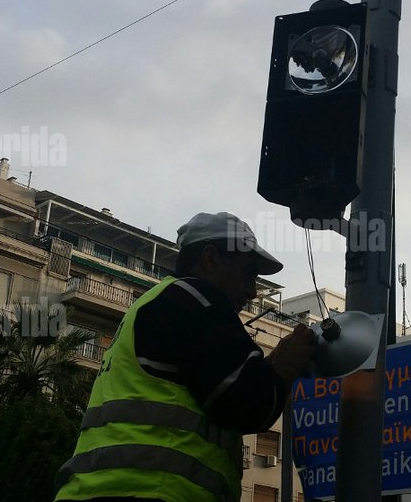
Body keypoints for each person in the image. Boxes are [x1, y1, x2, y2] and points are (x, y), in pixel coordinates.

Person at [54, 212, 317, 502]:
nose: (252, 291)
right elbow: (250, 404)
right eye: (247, 272)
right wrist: (284, 364)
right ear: (210, 258)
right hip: (151, 491)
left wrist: (265, 368)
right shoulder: (196, 299)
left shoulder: (157, 303)